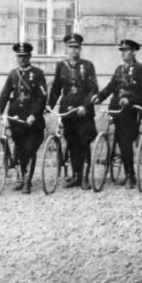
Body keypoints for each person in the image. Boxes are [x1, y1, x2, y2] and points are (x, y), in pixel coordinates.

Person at [93, 39, 142, 190]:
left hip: (132, 112)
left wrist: (129, 100)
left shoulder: (141, 69)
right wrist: (99, 97)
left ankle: (130, 175)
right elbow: (111, 86)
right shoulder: (119, 70)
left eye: (126, 50)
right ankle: (116, 164)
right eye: (122, 51)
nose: (124, 53)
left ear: (134, 52)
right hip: (117, 110)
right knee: (118, 139)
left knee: (125, 142)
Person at [47, 33, 99, 189]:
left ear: (80, 48)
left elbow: (94, 89)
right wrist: (49, 105)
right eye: (70, 47)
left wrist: (85, 106)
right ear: (66, 48)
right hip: (68, 111)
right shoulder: (61, 66)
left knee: (84, 142)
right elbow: (56, 88)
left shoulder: (88, 66)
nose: (73, 50)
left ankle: (85, 177)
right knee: (72, 143)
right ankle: (76, 174)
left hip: (83, 111)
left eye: (76, 47)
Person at [0, 43, 47, 193]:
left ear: (30, 57)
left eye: (24, 56)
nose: (22, 59)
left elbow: (42, 98)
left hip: (32, 120)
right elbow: (5, 94)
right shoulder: (13, 74)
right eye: (19, 56)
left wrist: (33, 115)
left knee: (30, 149)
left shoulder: (38, 73)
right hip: (16, 118)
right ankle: (23, 176)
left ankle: (27, 181)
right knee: (21, 149)